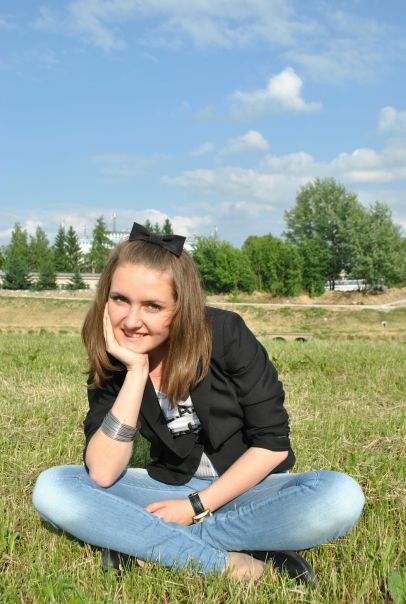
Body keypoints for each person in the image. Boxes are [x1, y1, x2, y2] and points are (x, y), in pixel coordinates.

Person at [32, 222, 365, 583]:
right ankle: (225, 564)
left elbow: (272, 445)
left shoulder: (226, 334)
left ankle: (151, 544)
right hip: (168, 487)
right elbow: (102, 472)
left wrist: (195, 508)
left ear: (181, 307)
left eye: (153, 306)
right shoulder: (115, 359)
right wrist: (135, 372)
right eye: (120, 300)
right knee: (54, 489)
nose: (131, 321)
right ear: (104, 299)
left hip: (248, 488)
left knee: (339, 497)